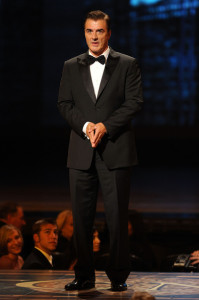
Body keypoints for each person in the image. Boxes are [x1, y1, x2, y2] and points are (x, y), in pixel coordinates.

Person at [57, 10, 143, 291]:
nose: (94, 37)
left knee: (117, 217)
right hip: (81, 151)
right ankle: (83, 275)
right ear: (84, 33)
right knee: (80, 219)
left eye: (100, 31)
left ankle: (118, 276)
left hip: (116, 150)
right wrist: (86, 126)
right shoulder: (71, 65)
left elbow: (134, 103)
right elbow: (64, 104)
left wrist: (105, 126)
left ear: (109, 33)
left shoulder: (127, 64)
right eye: (89, 31)